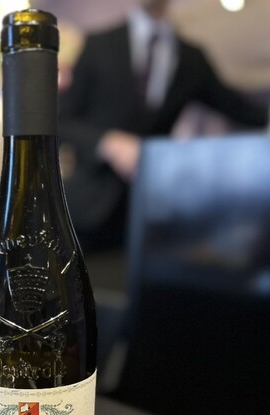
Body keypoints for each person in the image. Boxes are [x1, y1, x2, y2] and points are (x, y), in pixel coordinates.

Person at [59, 0, 269, 251]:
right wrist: (107, 142)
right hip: (87, 209)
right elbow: (60, 120)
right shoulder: (98, 45)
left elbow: (241, 110)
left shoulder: (191, 58)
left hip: (153, 214)